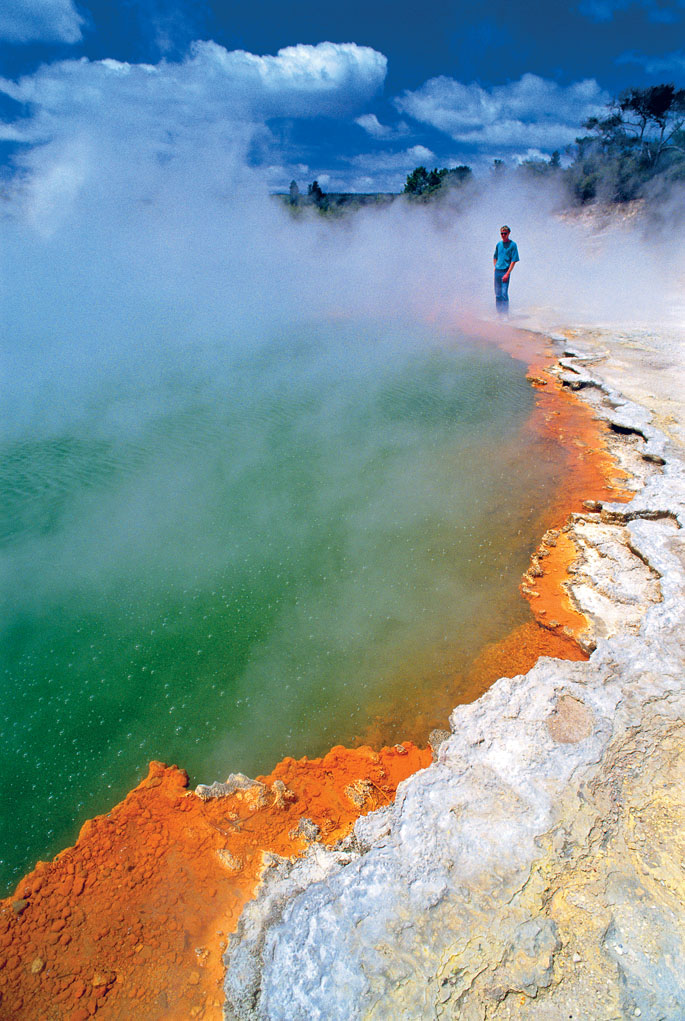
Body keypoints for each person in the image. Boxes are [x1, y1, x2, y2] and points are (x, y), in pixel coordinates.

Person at [493, 225, 519, 310]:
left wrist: (507, 273)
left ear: (508, 233)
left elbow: (513, 260)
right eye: (501, 233)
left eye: (505, 233)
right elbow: (495, 257)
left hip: (505, 271)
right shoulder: (499, 244)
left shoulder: (513, 245)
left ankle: (505, 314)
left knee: (504, 293)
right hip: (497, 271)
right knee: (497, 294)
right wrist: (495, 266)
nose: (503, 235)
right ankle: (499, 314)